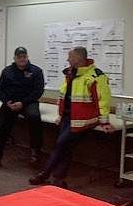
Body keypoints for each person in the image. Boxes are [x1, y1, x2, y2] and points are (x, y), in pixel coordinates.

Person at [29, 46, 114, 188]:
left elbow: (103, 100)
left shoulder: (96, 76)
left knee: (61, 144)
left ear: (78, 58)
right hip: (68, 118)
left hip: (83, 120)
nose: (68, 60)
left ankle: (45, 174)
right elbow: (65, 97)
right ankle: (59, 180)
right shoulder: (70, 74)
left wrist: (105, 122)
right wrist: (61, 116)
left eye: (70, 57)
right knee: (65, 148)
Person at [0, 47, 45, 170]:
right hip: (10, 102)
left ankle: (35, 155)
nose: (22, 59)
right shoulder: (7, 71)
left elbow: (38, 91)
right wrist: (6, 102)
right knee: (1, 126)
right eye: (19, 57)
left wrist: (23, 103)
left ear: (27, 57)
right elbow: (0, 89)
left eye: (24, 56)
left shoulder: (36, 71)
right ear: (14, 58)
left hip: (28, 102)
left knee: (35, 118)